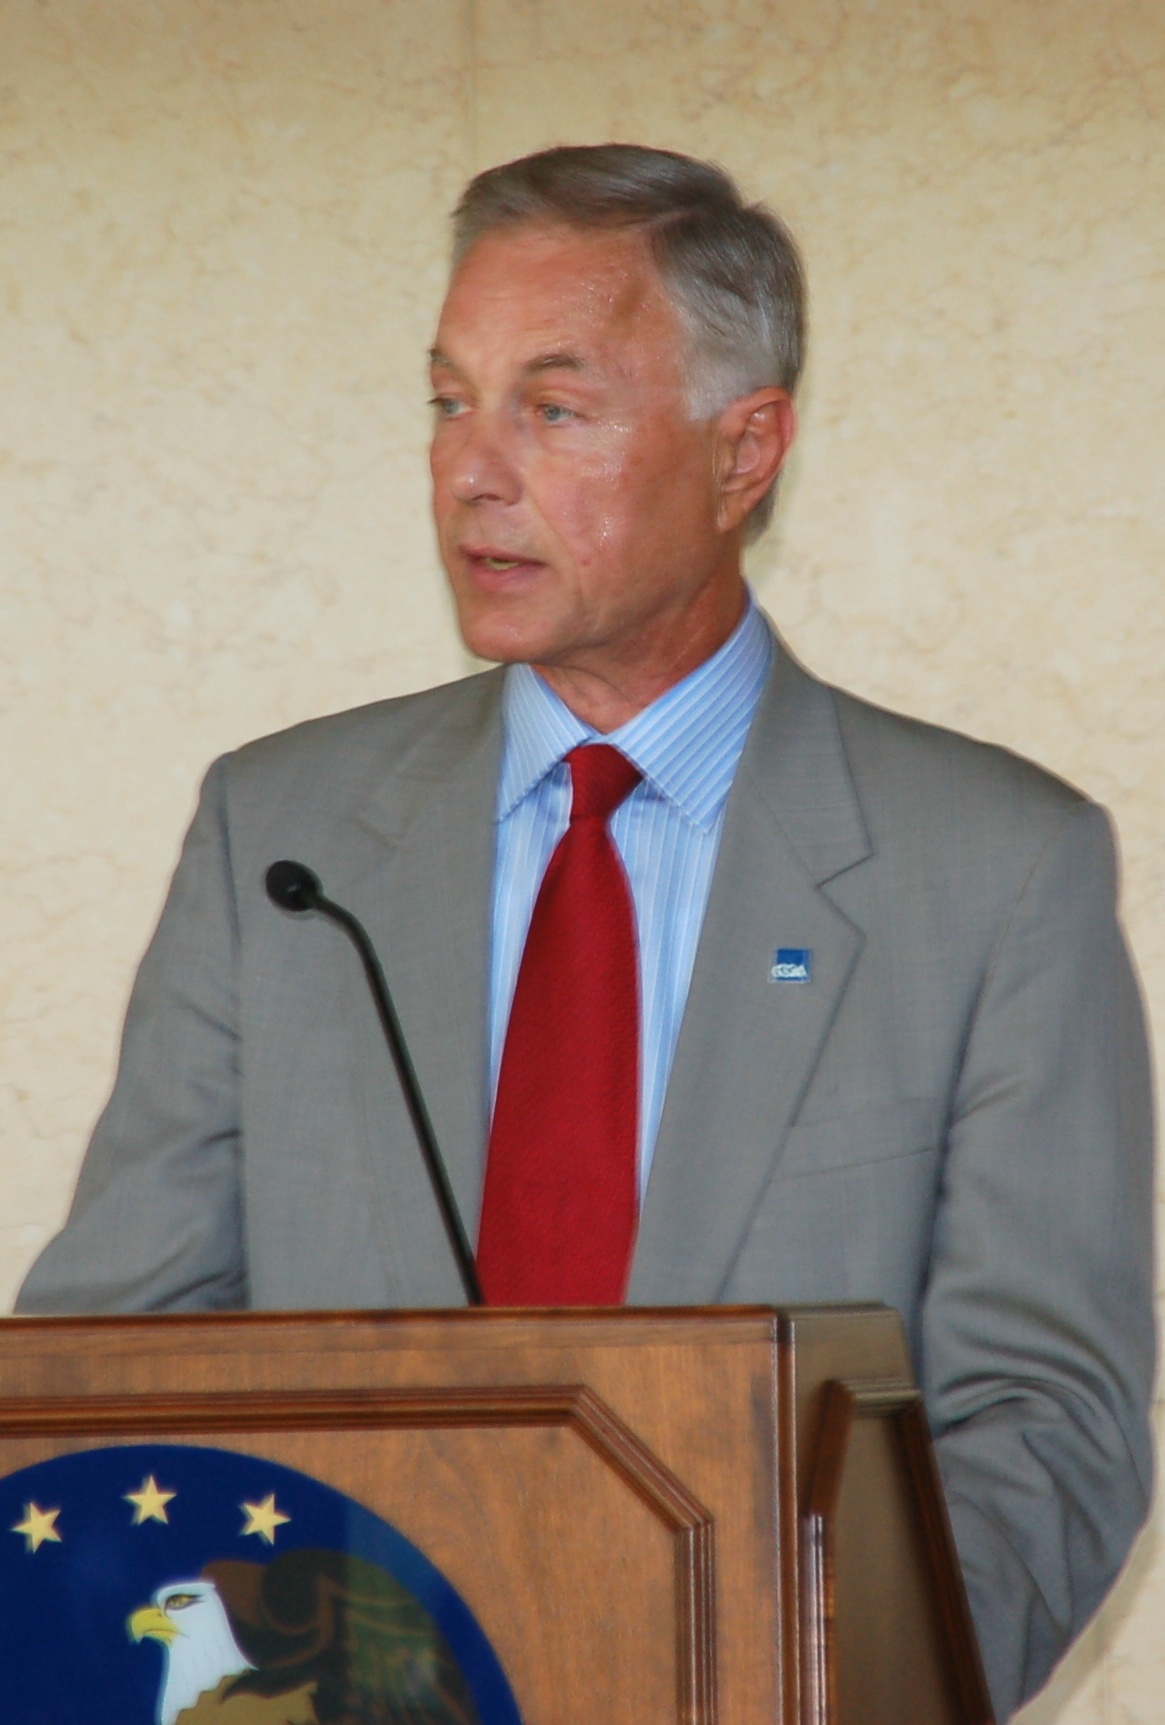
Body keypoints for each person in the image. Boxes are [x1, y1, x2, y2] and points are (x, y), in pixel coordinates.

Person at [15, 145, 1154, 1720]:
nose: (470, 472)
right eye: (448, 402)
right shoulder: (280, 838)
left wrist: (800, 1686)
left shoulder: (991, 870)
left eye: (551, 411)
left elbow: (1045, 1423)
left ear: (743, 450)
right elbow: (111, 1370)